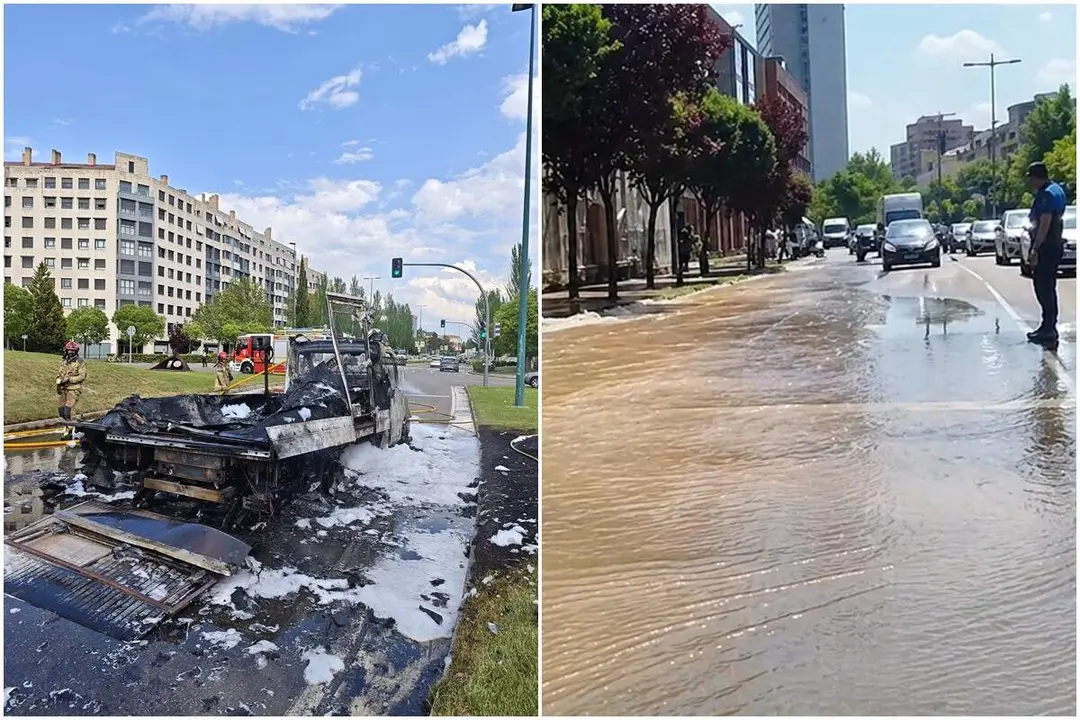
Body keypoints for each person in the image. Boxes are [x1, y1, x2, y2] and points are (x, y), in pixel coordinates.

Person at [1025, 161, 1067, 345]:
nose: (1029, 183)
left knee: (1043, 286)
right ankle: (1048, 325)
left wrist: (1035, 248)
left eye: (1030, 178)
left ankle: (1049, 327)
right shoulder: (1056, 189)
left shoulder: (1046, 195)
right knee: (1048, 286)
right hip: (1054, 244)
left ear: (1036, 177)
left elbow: (1045, 223)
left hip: (1046, 245)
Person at [56, 341, 86, 439]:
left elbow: (82, 376)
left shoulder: (80, 362)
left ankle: (73, 431)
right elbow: (60, 372)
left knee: (68, 411)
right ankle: (67, 427)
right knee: (61, 410)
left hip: (74, 389)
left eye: (73, 351)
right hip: (64, 389)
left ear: (76, 351)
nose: (71, 352)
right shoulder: (64, 361)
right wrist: (59, 380)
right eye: (69, 350)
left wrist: (69, 379)